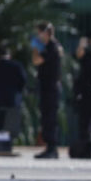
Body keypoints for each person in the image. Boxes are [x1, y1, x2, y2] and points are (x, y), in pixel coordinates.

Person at [31, 22, 62, 159]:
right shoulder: (49, 46)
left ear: (47, 33)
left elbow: (36, 61)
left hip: (51, 87)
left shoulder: (51, 47)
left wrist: (35, 48)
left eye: (40, 32)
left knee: (50, 118)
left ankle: (52, 148)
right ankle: (49, 147)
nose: (38, 36)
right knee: (46, 117)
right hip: (46, 86)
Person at [0, 45, 26, 133]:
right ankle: (9, 140)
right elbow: (23, 80)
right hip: (13, 97)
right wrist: (19, 91)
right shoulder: (16, 65)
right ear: (9, 55)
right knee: (11, 122)